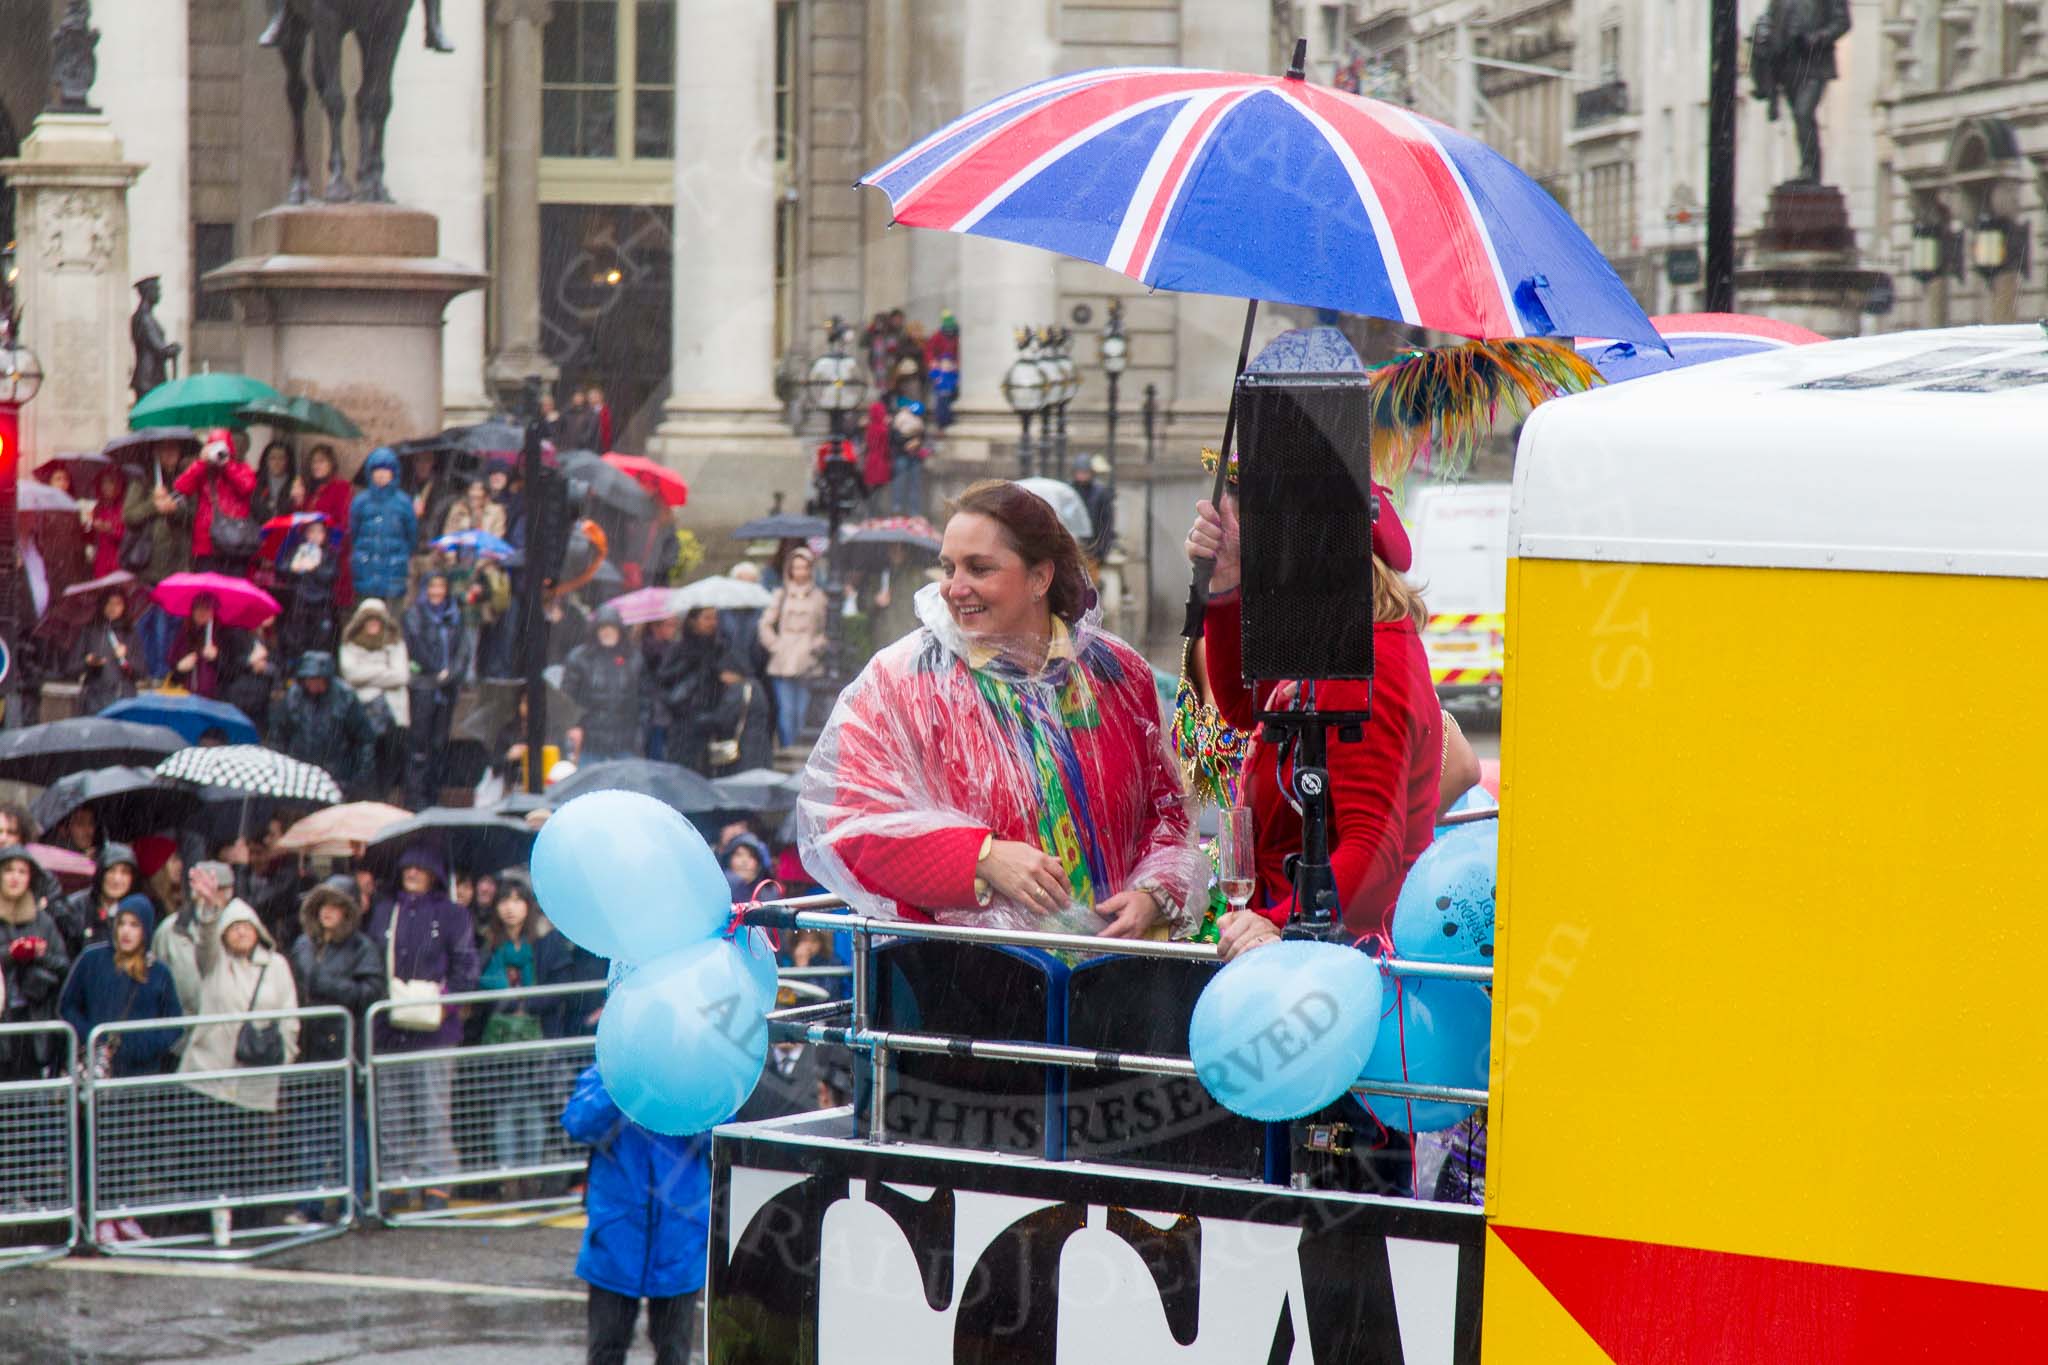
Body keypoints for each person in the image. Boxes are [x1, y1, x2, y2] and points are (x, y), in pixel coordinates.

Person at [798, 480, 1200, 936]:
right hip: (966, 977)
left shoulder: (1120, 673)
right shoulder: (903, 679)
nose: (954, 588)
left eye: (979, 568)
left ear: (1039, 578)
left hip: (1116, 973)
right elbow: (855, 828)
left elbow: (1167, 809)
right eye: (949, 568)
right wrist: (981, 858)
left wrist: (1154, 894)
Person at [1185, 486, 1443, 957]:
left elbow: (1372, 848)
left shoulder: (1365, 663)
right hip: (1309, 937)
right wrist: (1224, 584)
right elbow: (1246, 707)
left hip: (1339, 952)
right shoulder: (1332, 641)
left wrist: (1277, 925)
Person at [560, 1065, 710, 1365]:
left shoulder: (700, 1072)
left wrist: (684, 1094)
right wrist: (621, 1085)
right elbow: (578, 1123)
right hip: (617, 1237)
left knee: (674, 1353)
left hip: (679, 1239)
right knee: (606, 1350)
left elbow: (719, 1136)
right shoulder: (610, 1069)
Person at [365, 844, 478, 1206]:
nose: (411, 872)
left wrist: (445, 1004)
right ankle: (396, 1181)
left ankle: (436, 1183)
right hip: (389, 1026)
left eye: (420, 867)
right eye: (407, 867)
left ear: (435, 874)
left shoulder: (453, 915)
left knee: (433, 1110)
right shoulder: (385, 911)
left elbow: (465, 967)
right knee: (391, 1111)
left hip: (435, 1029)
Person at [477, 878, 550, 1186]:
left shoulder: (543, 944)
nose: (510, 907)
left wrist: (529, 1001)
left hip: (537, 1036)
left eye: (518, 900)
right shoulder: (488, 943)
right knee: (504, 1106)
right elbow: (481, 981)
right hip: (500, 1036)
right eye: (504, 900)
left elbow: (551, 987)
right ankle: (508, 1175)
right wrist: (508, 997)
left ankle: (532, 1174)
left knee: (533, 1106)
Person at [287, 877, 384, 1067]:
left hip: (342, 1041)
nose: (327, 911)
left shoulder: (362, 947)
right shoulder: (303, 944)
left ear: (348, 911)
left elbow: (372, 992)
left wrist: (330, 985)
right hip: (305, 1039)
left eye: (335, 905)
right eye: (323, 904)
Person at [123, 441, 194, 679]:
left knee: (174, 622)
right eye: (165, 450)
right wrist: (153, 505)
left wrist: (176, 509)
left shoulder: (185, 481)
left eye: (174, 450)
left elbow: (194, 515)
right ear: (156, 453)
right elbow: (130, 515)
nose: (171, 454)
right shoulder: (143, 480)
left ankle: (167, 671)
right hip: (151, 565)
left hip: (179, 563)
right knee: (153, 622)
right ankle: (154, 672)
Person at [0, 846, 71, 1078]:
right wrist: (11, 954)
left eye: (22, 871)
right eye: (9, 870)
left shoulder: (43, 921)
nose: (15, 877)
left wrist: (38, 956)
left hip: (34, 1021)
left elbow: (64, 967)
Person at [403, 572, 472, 809]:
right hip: (423, 684)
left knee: (439, 743)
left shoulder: (455, 615)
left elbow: (463, 649)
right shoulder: (415, 614)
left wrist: (450, 673)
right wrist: (435, 670)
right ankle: (415, 797)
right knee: (419, 742)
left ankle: (433, 793)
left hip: (447, 688)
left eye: (441, 587)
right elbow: (415, 645)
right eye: (433, 587)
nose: (437, 592)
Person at [271, 651, 374, 795]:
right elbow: (279, 735)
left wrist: (358, 781)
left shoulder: (345, 697)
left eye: (317, 679)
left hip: (337, 776)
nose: (312, 684)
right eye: (309, 679)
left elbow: (364, 740)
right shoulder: (293, 697)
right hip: (300, 774)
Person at [339, 598, 411, 796]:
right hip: (363, 713)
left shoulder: (395, 643)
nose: (373, 624)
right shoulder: (350, 644)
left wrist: (368, 675)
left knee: (389, 761)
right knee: (364, 761)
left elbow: (401, 675)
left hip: (393, 716)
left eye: (377, 620)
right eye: (369, 620)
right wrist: (383, 671)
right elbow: (351, 674)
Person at [758, 546, 828, 754]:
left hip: (807, 658)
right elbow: (765, 624)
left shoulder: (819, 596)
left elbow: (827, 628)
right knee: (786, 711)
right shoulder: (781, 595)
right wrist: (775, 645)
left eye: (804, 568)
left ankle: (800, 751)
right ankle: (787, 749)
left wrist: (816, 645)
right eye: (796, 568)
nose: (800, 572)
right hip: (784, 657)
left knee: (802, 711)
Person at [174, 429, 258, 574]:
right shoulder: (203, 471)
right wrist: (201, 463)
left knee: (233, 592)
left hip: (236, 543)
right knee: (207, 592)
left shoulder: (241, 468)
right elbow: (181, 487)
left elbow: (247, 487)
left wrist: (227, 465)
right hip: (206, 544)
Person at [562, 614, 643, 764]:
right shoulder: (579, 658)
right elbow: (567, 697)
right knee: (588, 784)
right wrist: (573, 726)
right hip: (589, 740)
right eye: (603, 628)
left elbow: (643, 697)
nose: (607, 632)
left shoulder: (633, 658)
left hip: (624, 739)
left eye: (611, 628)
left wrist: (640, 731)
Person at [350, 448, 418, 606]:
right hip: (366, 571)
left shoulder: (403, 502)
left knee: (392, 622)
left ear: (393, 473)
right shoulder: (360, 502)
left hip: (394, 573)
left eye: (385, 471)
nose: (381, 475)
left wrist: (398, 557)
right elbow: (354, 532)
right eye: (377, 471)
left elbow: (411, 536)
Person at [53, 841, 139, 960]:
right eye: (111, 870)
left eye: (124, 872)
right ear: (101, 872)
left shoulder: (138, 910)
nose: (117, 879)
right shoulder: (74, 907)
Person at [294, 444, 354, 606]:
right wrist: (298, 501)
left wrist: (328, 544)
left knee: (327, 602)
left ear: (331, 464)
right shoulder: (308, 489)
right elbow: (299, 522)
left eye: (321, 461)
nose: (317, 466)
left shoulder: (341, 488)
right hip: (307, 553)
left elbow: (343, 522)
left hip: (330, 554)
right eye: (314, 462)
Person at [276, 517, 341, 666]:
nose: (315, 536)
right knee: (296, 640)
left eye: (320, 532)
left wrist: (314, 568)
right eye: (311, 532)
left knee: (321, 641)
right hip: (298, 603)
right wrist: (294, 567)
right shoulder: (297, 551)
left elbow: (331, 575)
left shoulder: (329, 554)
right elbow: (282, 569)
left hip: (321, 604)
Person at [70, 587, 140, 715]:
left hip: (123, 697)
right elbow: (71, 668)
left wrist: (127, 657)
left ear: (124, 606)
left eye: (118, 604)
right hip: (95, 698)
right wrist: (87, 662)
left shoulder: (130, 633)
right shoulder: (89, 631)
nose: (113, 608)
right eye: (109, 603)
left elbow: (141, 671)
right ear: (102, 605)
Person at [170, 591, 246, 701]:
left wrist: (217, 658)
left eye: (206, 608)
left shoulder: (225, 635)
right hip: (185, 700)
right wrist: (180, 669)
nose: (201, 612)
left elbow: (233, 674)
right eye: (197, 607)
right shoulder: (183, 636)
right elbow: (173, 679)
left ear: (213, 611)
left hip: (216, 702)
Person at [1069, 455, 1115, 563]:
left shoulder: (1100, 493)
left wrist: (1102, 551)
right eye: (1079, 472)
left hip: (1092, 546)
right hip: (1073, 543)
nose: (1082, 475)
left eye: (1085, 472)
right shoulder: (1069, 490)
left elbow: (1106, 523)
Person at [86, 469, 128, 579]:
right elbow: (92, 538)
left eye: (111, 482)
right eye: (103, 483)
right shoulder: (98, 508)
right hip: (101, 561)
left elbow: (128, 536)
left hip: (119, 561)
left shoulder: (124, 507)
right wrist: (89, 527)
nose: (106, 486)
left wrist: (110, 530)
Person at [438, 477, 507, 543]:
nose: (474, 493)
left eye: (479, 489)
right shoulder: (458, 508)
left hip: (484, 552)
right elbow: (448, 534)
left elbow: (496, 538)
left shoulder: (496, 511)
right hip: (458, 550)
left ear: (486, 494)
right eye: (471, 489)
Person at [250, 440, 297, 528]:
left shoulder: (295, 483)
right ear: (266, 460)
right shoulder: (256, 480)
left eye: (281, 458)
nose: (277, 462)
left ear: (288, 460)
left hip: (284, 531)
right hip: (257, 531)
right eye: (272, 458)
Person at [720, 833, 771, 901]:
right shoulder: (717, 888)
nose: (745, 861)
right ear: (728, 859)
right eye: (739, 854)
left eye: (751, 856)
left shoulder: (769, 892)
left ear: (759, 864)